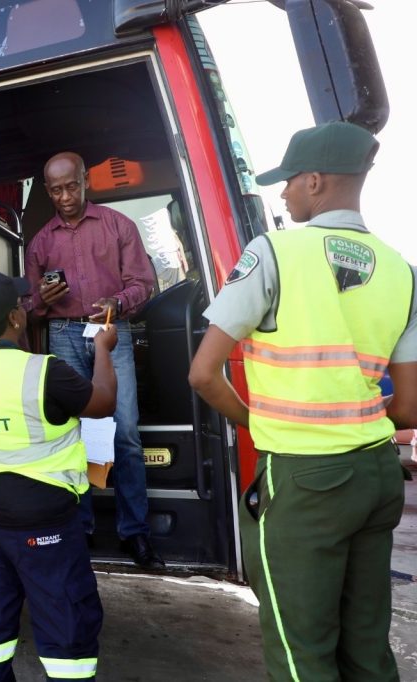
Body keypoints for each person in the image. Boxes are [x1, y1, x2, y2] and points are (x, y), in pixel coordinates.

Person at [187, 121, 417, 681]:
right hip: (377, 476)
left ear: (315, 181)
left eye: (288, 181)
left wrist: (257, 422)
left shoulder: (274, 252)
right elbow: (410, 409)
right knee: (367, 649)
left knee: (301, 655)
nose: (284, 193)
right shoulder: (401, 270)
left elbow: (203, 374)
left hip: (304, 481)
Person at [0, 270, 118, 681]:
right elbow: (103, 402)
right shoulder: (44, 371)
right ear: (15, 318)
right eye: (20, 306)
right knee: (65, 620)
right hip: (41, 518)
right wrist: (104, 350)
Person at [25, 151, 163, 569]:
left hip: (109, 329)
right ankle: (79, 530)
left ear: (86, 181)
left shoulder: (118, 226)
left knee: (126, 432)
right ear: (47, 191)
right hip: (63, 334)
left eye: (71, 186)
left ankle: (134, 532)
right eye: (56, 190)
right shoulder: (41, 242)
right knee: (72, 435)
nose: (65, 197)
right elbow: (28, 307)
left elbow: (144, 283)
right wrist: (40, 299)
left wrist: (117, 302)